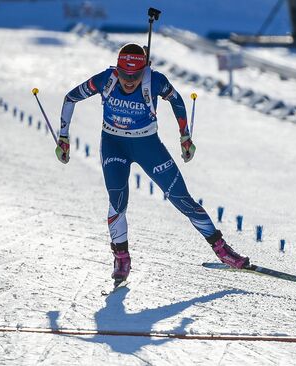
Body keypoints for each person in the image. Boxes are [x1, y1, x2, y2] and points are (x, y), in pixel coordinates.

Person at [56, 43, 249, 283]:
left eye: (135, 75)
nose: (129, 80)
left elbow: (177, 101)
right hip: (114, 144)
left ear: (144, 70)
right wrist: (63, 137)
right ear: (117, 69)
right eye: (125, 74)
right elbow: (71, 97)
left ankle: (222, 249)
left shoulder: (155, 81)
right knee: (117, 199)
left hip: (148, 145)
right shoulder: (106, 79)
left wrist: (185, 136)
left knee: (182, 199)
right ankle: (121, 257)